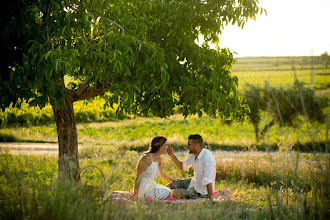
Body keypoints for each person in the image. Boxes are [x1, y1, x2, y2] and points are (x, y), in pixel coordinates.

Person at [167, 134, 216, 201]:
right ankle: (160, 195)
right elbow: (182, 166)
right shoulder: (194, 155)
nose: (187, 146)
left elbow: (208, 180)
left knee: (175, 193)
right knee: (169, 186)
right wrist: (171, 154)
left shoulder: (207, 158)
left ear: (197, 145)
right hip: (194, 182)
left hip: (201, 192)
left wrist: (210, 198)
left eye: (189, 144)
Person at [132, 136, 174, 200]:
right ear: (159, 146)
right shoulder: (146, 158)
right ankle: (148, 198)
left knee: (168, 191)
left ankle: (156, 201)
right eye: (165, 145)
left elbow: (161, 174)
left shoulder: (158, 159)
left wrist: (173, 180)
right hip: (144, 188)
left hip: (152, 185)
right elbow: (138, 177)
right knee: (167, 192)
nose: (168, 147)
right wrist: (135, 194)